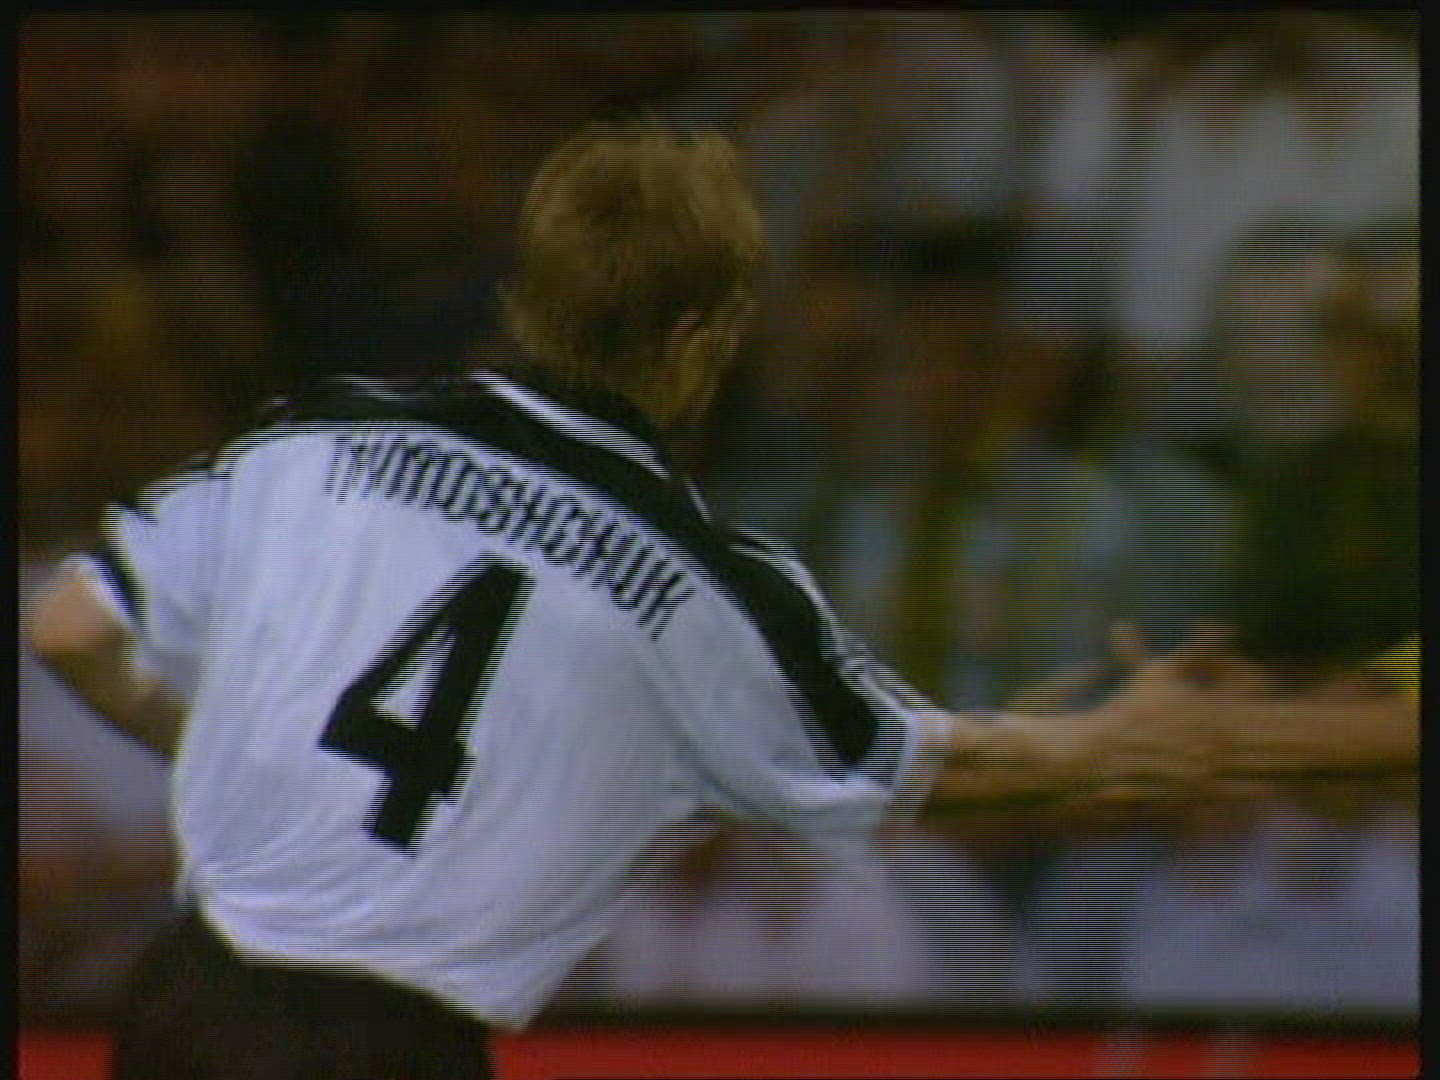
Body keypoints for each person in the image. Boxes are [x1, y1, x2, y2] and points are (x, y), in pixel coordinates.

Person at [23, 120, 1415, 1080]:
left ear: (526, 291)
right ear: (703, 339)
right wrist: (1134, 734)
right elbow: (957, 773)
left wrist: (239, 755)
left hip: (185, 999)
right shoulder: (706, 589)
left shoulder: (322, 435)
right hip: (394, 1042)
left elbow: (70, 629)